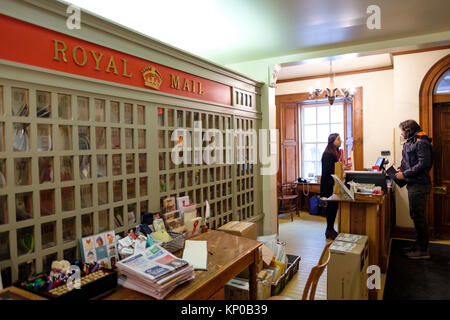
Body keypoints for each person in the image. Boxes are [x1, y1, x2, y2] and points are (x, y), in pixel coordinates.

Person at [395, 120, 433, 259]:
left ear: (409, 130)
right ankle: (418, 245)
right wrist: (401, 169)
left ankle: (423, 250)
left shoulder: (421, 142)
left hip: (420, 185)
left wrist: (405, 174)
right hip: (413, 184)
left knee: (419, 218)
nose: (401, 133)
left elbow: (423, 164)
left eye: (402, 130)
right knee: (415, 216)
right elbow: (409, 161)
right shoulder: (410, 141)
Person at [320, 133, 342, 240]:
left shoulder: (335, 152)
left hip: (333, 183)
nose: (340, 140)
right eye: (338, 139)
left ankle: (331, 229)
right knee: (331, 207)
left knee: (334, 207)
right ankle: (329, 229)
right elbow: (328, 170)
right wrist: (339, 169)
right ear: (333, 141)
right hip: (329, 184)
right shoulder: (328, 154)